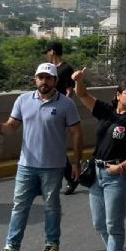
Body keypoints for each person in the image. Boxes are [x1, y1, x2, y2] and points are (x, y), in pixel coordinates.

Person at [0, 63, 83, 251]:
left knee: (51, 207)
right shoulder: (23, 100)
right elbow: (11, 127)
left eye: (48, 78)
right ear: (35, 79)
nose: (44, 81)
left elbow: (76, 133)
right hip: (26, 165)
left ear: (55, 81)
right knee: (19, 207)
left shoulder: (66, 104)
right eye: (40, 77)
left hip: (53, 166)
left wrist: (77, 161)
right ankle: (12, 248)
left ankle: (52, 244)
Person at [72, 69, 126, 251]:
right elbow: (83, 95)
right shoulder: (106, 111)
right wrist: (79, 81)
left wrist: (122, 167)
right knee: (99, 223)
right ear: (118, 95)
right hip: (97, 173)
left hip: (118, 177)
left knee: (114, 225)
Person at [45, 42, 80, 196]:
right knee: (51, 146)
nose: (46, 54)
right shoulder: (50, 69)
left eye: (47, 51)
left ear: (52, 51)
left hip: (57, 111)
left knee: (57, 147)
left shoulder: (65, 69)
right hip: (46, 110)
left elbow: (69, 90)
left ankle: (71, 177)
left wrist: (63, 108)